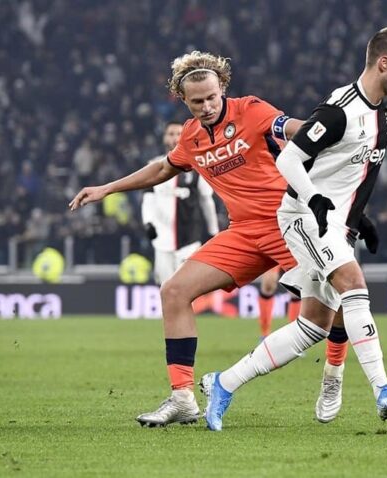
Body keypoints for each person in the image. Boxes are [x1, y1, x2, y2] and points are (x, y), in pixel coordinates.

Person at [69, 50, 311, 428]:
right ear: (183, 100)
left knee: (334, 301)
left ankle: (353, 382)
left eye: (213, 97)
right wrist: (108, 188)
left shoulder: (251, 110)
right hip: (244, 233)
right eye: (197, 101)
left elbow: (296, 128)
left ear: (223, 88)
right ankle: (183, 398)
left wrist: (332, 128)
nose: (207, 106)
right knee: (173, 291)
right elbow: (164, 168)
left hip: (288, 224)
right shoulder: (191, 136)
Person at [201, 27, 387, 430]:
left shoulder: (385, 110)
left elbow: (354, 169)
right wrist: (315, 199)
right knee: (353, 285)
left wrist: (358, 218)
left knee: (312, 328)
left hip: (337, 221)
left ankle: (223, 383)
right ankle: (382, 389)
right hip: (304, 216)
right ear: (383, 63)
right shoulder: (339, 111)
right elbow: (290, 162)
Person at [141, 122, 219, 284]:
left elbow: (206, 200)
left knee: (185, 289)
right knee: (165, 289)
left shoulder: (198, 165)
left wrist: (213, 232)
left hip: (189, 239)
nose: (175, 138)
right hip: (162, 240)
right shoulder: (153, 166)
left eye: (179, 134)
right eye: (171, 134)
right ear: (164, 138)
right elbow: (148, 199)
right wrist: (148, 223)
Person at [257, 266, 301, 340]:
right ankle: (265, 334)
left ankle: (294, 338)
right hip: (274, 255)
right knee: (268, 284)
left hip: (293, 254)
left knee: (296, 288)